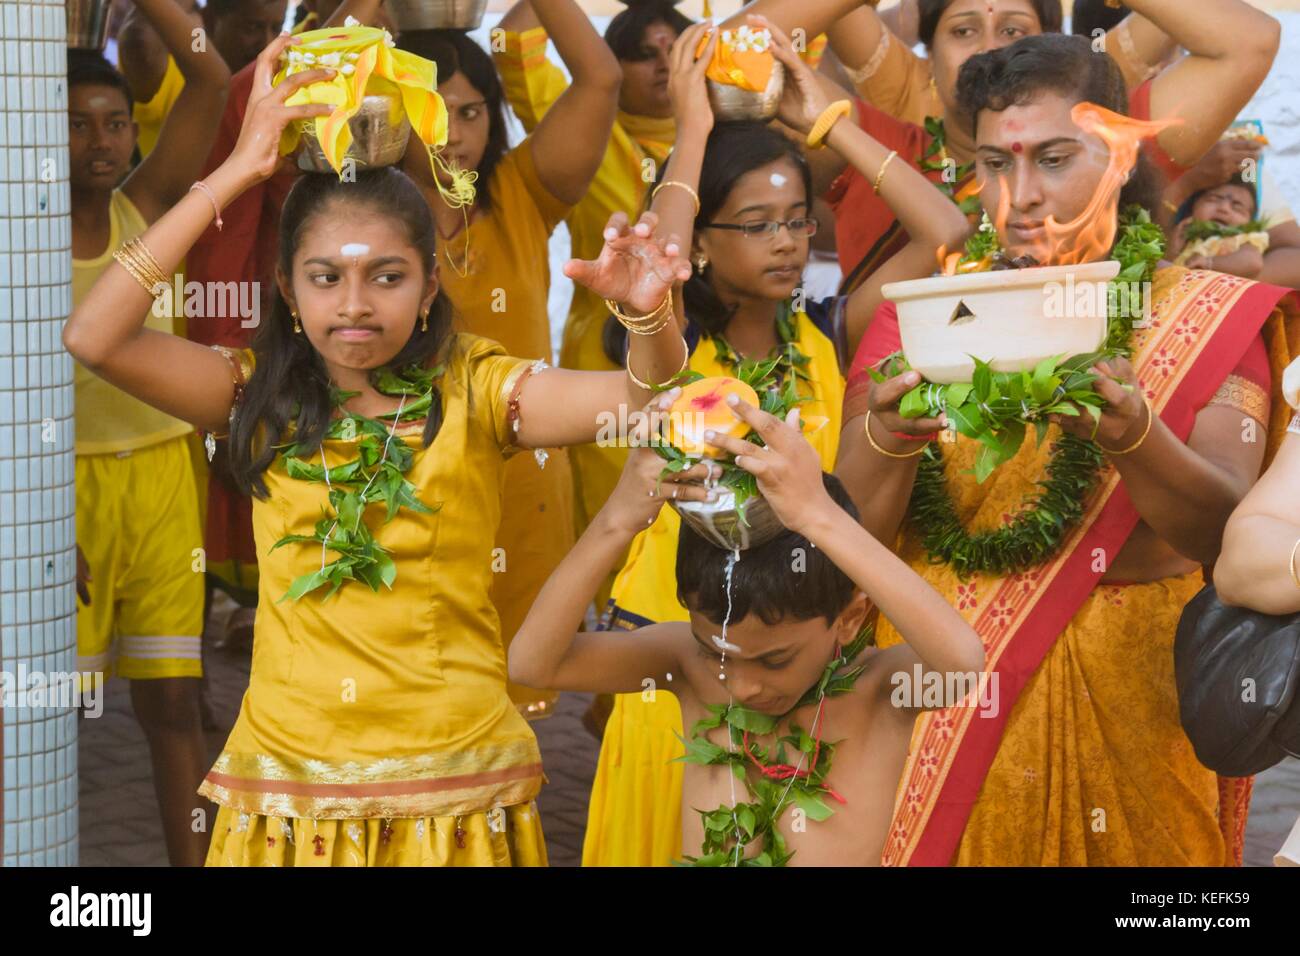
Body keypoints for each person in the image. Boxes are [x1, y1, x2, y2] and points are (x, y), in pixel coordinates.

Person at [62, 33, 696, 866]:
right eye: (326, 277)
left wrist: (650, 319)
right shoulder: (254, 393)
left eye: (387, 277)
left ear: (431, 284)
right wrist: (235, 173)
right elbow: (95, 337)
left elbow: (645, 400)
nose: (354, 306)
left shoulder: (478, 389)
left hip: (454, 790)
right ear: (286, 288)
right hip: (288, 790)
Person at [834, 32, 1298, 866]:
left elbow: (1227, 537)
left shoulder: (1207, 315)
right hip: (938, 699)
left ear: (1120, 153)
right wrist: (887, 437)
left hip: (1134, 705)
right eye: (994, 164)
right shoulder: (926, 316)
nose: (1021, 197)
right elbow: (850, 538)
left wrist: (1134, 437)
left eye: (1053, 159)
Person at [576, 18, 970, 866]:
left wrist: (827, 123)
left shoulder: (824, 339)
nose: (788, 240)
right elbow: (659, 260)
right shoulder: (672, 356)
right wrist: (694, 130)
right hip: (687, 663)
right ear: (704, 246)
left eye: (797, 219)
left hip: (800, 669)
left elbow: (950, 239)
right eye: (756, 224)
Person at [509, 411, 984, 866]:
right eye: (718, 653)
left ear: (849, 618)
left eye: (775, 660)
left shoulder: (880, 693)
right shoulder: (686, 665)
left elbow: (962, 665)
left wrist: (819, 517)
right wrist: (617, 520)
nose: (742, 686)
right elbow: (533, 664)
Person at [390, 4, 621, 719]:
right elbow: (313, 66)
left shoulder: (520, 193)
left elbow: (600, 76)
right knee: (413, 703)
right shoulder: (357, 213)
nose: (454, 136)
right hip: (404, 486)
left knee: (515, 717)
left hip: (522, 493)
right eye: (430, 114)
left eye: (471, 112)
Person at [744, 0, 1279, 296]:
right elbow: (732, 64)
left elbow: (1249, 40)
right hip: (898, 451)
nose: (992, 48)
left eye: (1014, 28)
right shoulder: (871, 144)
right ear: (928, 55)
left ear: (1051, 43)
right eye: (964, 30)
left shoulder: (1102, 140)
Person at [68, 0, 230, 866]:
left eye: (116, 122)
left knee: (175, 704)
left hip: (166, 476)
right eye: (76, 124)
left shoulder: (147, 206)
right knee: (44, 718)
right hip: (62, 491)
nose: (101, 140)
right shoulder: (18, 240)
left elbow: (207, 75)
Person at [493, 0, 689, 611]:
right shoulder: (592, 128)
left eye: (674, 53)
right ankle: (617, 692)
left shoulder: (726, 138)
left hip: (714, 349)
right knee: (625, 519)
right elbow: (509, 46)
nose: (661, 67)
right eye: (642, 54)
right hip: (610, 365)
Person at [118, 0, 291, 160]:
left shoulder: (286, 72)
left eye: (277, 28)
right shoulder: (180, 76)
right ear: (209, 19)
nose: (267, 42)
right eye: (252, 27)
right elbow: (140, 40)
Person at [1168, 175, 1269, 277]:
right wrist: (1172, 250)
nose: (1223, 209)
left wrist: (1209, 263)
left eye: (1237, 207)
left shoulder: (1243, 239)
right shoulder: (1182, 237)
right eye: (1214, 199)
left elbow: (1252, 263)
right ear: (1192, 208)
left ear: (1249, 223)